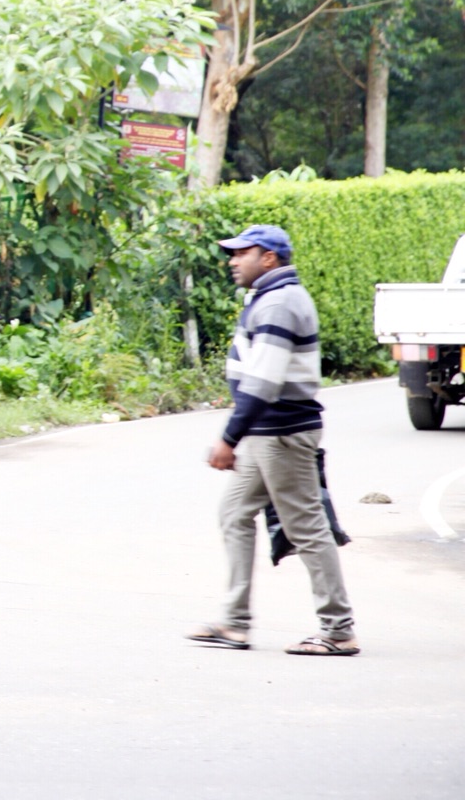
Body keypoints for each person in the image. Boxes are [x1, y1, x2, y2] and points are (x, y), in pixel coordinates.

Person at [189, 224, 358, 656]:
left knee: (307, 528)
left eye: (240, 253)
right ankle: (234, 622)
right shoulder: (270, 297)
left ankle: (338, 629)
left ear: (268, 258)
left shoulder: (280, 302)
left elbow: (263, 380)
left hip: (281, 432)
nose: (232, 261)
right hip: (269, 433)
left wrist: (228, 437)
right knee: (234, 513)